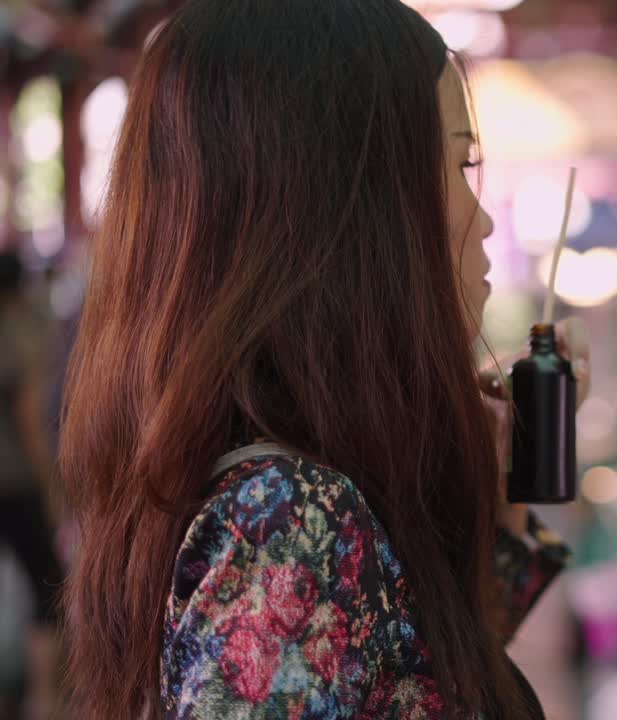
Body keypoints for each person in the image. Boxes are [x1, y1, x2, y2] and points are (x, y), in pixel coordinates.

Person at [58, 2, 590, 718]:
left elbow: (417, 677)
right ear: (360, 207)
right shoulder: (287, 519)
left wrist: (502, 480)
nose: (483, 215)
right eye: (461, 164)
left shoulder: (297, 491)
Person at [0, 250, 62, 719]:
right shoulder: (18, 337)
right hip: (16, 485)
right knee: (48, 586)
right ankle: (41, 700)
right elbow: (28, 422)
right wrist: (51, 487)